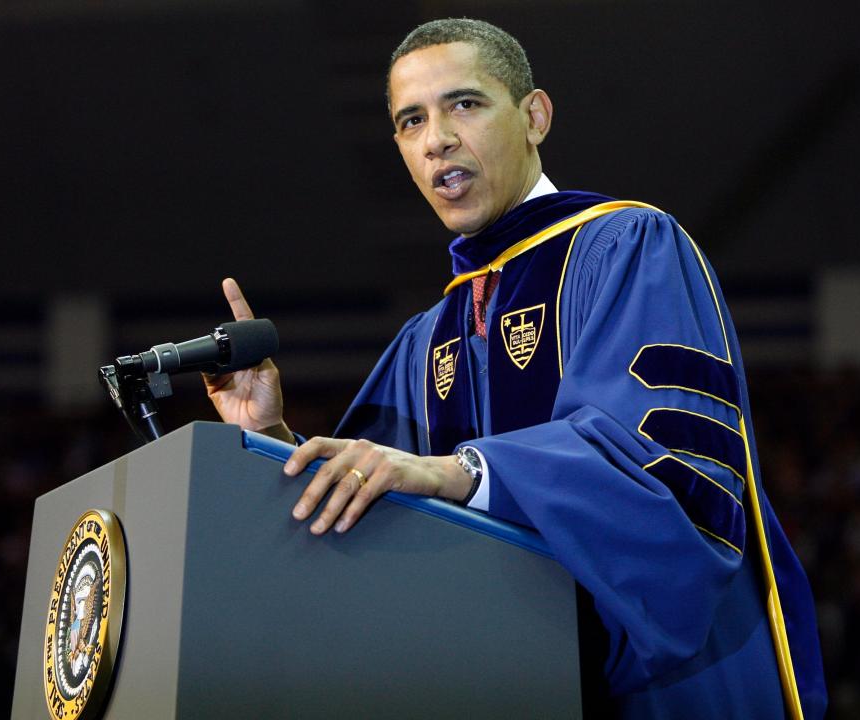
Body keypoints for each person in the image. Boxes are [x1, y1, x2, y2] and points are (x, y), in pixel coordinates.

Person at [204, 18, 827, 719]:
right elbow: (363, 522)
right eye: (411, 120)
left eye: (463, 104)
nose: (436, 136)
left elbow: (673, 473)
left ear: (534, 117)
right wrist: (270, 436)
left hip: (656, 687)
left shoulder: (628, 246)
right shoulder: (426, 338)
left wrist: (461, 470)